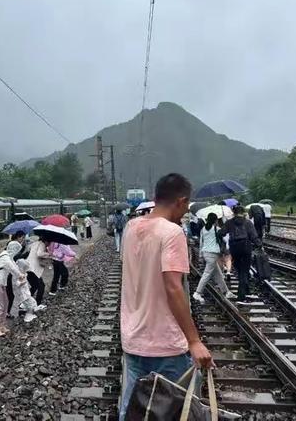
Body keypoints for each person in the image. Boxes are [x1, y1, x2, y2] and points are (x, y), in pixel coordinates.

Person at [120, 173, 214, 420]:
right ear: (181, 201)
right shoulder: (172, 233)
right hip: (166, 344)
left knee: (132, 409)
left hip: (133, 338)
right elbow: (173, 287)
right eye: (186, 205)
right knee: (177, 411)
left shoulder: (131, 227)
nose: (185, 212)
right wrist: (194, 341)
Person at [218, 205, 262, 303]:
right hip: (246, 247)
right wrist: (259, 245)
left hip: (234, 248)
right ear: (243, 212)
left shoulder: (229, 222)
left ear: (234, 213)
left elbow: (221, 233)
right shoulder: (248, 223)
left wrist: (221, 231)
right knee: (244, 271)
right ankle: (241, 296)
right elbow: (254, 236)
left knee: (239, 269)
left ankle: (247, 291)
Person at [192, 213, 236, 303]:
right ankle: (197, 293)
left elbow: (201, 242)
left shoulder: (203, 229)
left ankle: (226, 292)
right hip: (212, 254)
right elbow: (225, 239)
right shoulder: (217, 229)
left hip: (205, 253)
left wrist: (200, 255)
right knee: (207, 274)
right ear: (215, 220)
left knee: (218, 274)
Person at [0, 241, 25, 336]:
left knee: (6, 304)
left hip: (2, 283)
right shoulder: (5, 257)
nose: (17, 252)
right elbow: (12, 268)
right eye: (17, 250)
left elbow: (15, 266)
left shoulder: (9, 257)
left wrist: (22, 273)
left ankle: (2, 326)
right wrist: (20, 275)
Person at [6, 231, 27, 318]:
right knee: (20, 291)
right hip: (13, 272)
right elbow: (18, 258)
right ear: (19, 237)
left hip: (7, 271)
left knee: (9, 294)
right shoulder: (17, 245)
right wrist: (24, 249)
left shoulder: (9, 243)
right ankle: (21, 311)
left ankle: (7, 312)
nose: (23, 239)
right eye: (22, 237)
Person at [26, 236, 51, 307]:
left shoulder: (35, 243)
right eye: (49, 243)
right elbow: (39, 254)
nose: (49, 245)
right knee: (41, 286)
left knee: (34, 286)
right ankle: (37, 304)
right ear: (46, 241)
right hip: (33, 269)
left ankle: (26, 303)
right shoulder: (42, 244)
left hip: (28, 267)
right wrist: (49, 254)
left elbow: (29, 249)